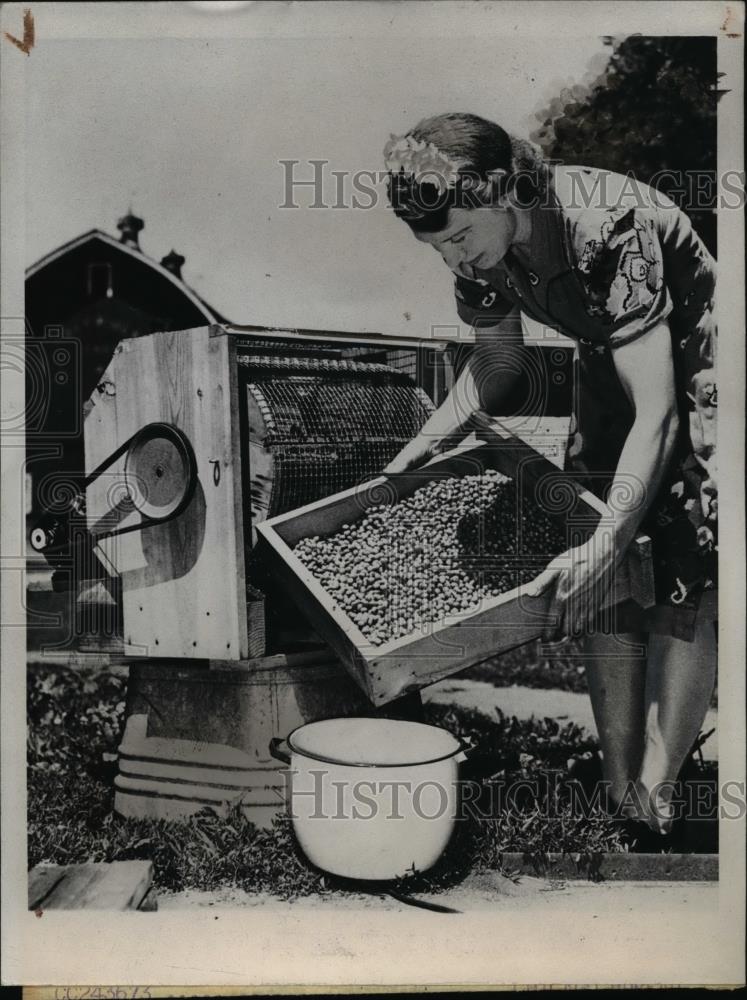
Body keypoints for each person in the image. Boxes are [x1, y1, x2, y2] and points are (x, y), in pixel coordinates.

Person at [381, 113, 717, 838]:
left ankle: (656, 796)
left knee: (686, 561)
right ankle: (616, 781)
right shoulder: (480, 256)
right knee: (596, 552)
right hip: (610, 353)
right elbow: (498, 369)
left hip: (698, 361)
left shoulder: (604, 227)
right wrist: (425, 442)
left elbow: (657, 411)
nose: (454, 263)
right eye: (436, 249)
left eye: (459, 238)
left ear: (503, 190)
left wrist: (606, 544)